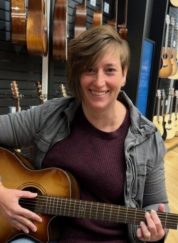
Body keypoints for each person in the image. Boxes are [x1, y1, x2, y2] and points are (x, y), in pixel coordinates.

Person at [0, 25, 169, 243]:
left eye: (109, 70)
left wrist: (157, 231)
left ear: (124, 75)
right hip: (38, 234)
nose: (99, 82)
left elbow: (157, 204)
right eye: (89, 69)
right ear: (78, 74)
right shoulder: (51, 115)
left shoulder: (148, 138)